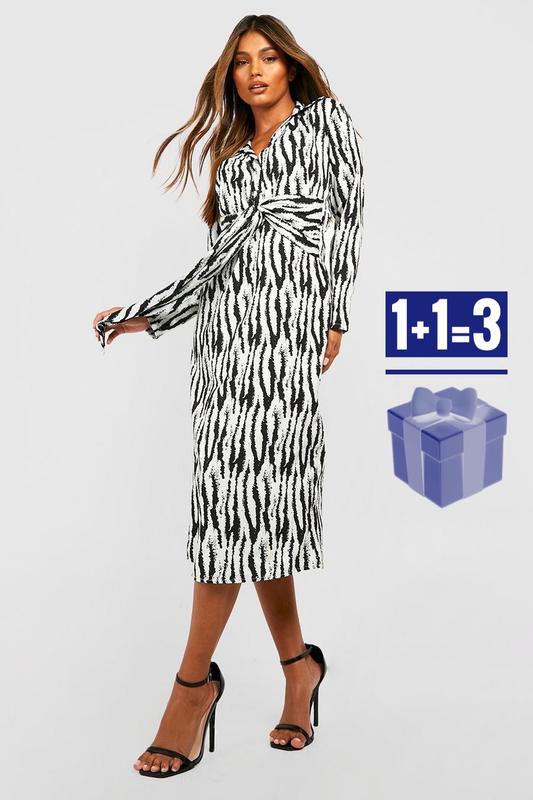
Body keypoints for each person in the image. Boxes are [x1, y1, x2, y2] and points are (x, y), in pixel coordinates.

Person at [92, 13, 364, 779]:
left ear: (290, 66)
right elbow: (218, 261)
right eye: (241, 61)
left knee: (239, 508)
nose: (254, 72)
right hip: (222, 347)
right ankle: (300, 670)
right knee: (243, 508)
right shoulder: (233, 158)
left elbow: (344, 220)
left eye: (268, 58)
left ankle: (190, 689)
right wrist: (148, 314)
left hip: (284, 342)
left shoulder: (327, 125)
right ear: (230, 75)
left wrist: (333, 315)